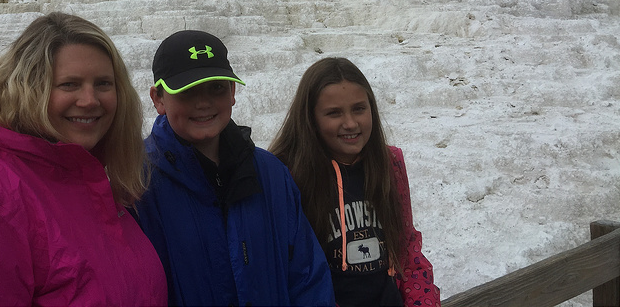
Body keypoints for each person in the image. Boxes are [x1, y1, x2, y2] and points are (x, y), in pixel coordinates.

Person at [0, 12, 167, 306]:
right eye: (69, 84)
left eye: (104, 84)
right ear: (27, 89)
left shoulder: (86, 182)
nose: (90, 100)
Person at [134, 29, 335, 306]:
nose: (203, 102)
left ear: (232, 92)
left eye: (216, 87)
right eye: (187, 90)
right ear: (158, 98)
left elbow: (307, 276)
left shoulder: (272, 175)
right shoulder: (137, 183)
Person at [269, 57, 441, 307]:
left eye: (359, 109)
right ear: (311, 119)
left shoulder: (389, 163)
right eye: (334, 113)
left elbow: (407, 249)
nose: (350, 123)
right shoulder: (287, 174)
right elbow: (288, 272)